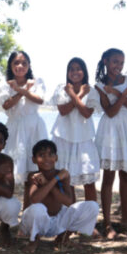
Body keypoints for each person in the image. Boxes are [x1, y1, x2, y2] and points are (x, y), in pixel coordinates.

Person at [94, 48, 127, 239]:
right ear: (106, 61)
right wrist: (125, 94)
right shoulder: (99, 85)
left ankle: (126, 221)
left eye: (122, 62)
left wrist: (116, 92)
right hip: (110, 131)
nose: (119, 66)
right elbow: (111, 112)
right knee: (108, 178)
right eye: (115, 62)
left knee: (126, 176)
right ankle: (107, 224)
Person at [19, 140, 99, 253]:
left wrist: (52, 180)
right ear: (34, 159)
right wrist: (52, 181)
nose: (47, 158)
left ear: (56, 157)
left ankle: (63, 238)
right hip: (38, 222)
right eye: (41, 155)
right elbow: (35, 199)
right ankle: (34, 240)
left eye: (50, 155)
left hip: (58, 221)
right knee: (37, 208)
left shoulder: (62, 175)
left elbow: (68, 202)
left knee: (92, 206)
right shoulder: (33, 175)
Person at [50, 58, 100, 204]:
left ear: (84, 72)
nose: (75, 72)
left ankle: (90, 223)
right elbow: (63, 111)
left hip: (84, 138)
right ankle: (71, 218)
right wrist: (76, 95)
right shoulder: (61, 89)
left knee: (88, 181)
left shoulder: (91, 91)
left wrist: (75, 94)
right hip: (63, 137)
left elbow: (86, 113)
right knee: (67, 181)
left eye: (78, 68)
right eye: (71, 69)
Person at [0, 50, 48, 184]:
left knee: (34, 169)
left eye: (24, 63)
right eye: (16, 63)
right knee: (11, 169)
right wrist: (22, 91)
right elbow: (6, 105)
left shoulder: (36, 82)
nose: (20, 66)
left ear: (29, 65)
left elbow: (40, 100)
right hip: (15, 128)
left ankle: (30, 203)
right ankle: (9, 202)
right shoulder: (5, 85)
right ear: (10, 65)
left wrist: (21, 89)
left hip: (34, 128)